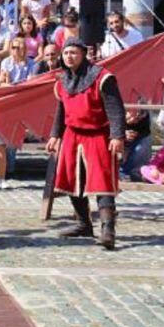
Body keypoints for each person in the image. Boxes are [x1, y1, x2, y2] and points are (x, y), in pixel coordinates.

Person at [45, 36, 126, 250]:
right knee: (72, 179)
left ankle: (108, 229)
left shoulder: (101, 77)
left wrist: (117, 136)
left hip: (98, 134)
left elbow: (115, 108)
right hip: (72, 134)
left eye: (74, 53)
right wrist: (55, 134)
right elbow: (61, 110)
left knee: (102, 181)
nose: (69, 57)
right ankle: (84, 224)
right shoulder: (63, 80)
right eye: (66, 53)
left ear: (83, 54)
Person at [121, 108, 152, 181]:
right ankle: (121, 171)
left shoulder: (144, 118)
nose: (133, 120)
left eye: (138, 119)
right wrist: (122, 133)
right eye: (132, 117)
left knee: (142, 146)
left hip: (135, 139)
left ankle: (129, 171)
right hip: (118, 135)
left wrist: (134, 135)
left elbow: (145, 132)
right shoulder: (116, 112)